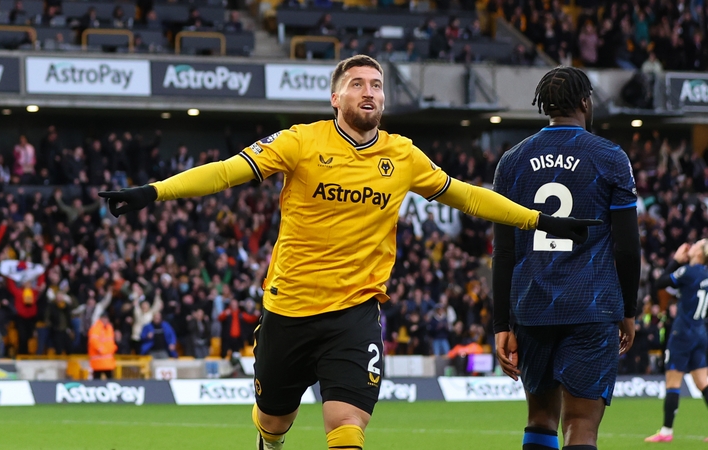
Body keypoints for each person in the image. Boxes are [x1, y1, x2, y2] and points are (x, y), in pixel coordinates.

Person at [99, 55, 598, 450]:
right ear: (335, 96)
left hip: (356, 311)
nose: (370, 92)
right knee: (274, 422)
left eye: (377, 85)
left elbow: (466, 195)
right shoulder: (300, 142)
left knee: (346, 428)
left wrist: (540, 219)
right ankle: (269, 442)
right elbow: (227, 171)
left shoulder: (401, 155)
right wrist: (154, 191)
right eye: (358, 83)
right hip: (289, 307)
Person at [491, 66, 641, 450]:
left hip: (532, 308)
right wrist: (628, 310)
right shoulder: (610, 157)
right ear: (585, 102)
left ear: (546, 106)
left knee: (539, 420)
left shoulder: (512, 161)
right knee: (581, 426)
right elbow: (626, 245)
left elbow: (504, 251)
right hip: (592, 306)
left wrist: (500, 323)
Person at [644, 241, 708, 443]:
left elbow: (660, 283)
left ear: (699, 253)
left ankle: (666, 431)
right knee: (703, 382)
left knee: (673, 382)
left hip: (683, 333)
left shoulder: (688, 272)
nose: (691, 247)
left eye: (696, 245)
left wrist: (675, 261)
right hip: (701, 332)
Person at [88, 311, 117, 379]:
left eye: (106, 318)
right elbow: (93, 340)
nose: (105, 320)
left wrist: (113, 348)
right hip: (98, 361)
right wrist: (101, 349)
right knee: (97, 381)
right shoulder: (96, 328)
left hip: (108, 361)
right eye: (103, 318)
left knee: (110, 380)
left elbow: (110, 341)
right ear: (100, 318)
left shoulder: (109, 328)